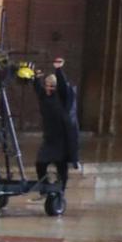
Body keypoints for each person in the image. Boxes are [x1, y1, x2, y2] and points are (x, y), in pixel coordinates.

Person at [35, 57, 80, 191]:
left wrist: (58, 69)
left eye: (52, 86)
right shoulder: (45, 97)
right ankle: (46, 188)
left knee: (61, 166)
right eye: (47, 85)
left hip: (62, 138)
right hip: (49, 138)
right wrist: (36, 78)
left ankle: (60, 191)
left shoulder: (64, 97)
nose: (49, 88)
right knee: (40, 163)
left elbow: (62, 86)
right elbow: (38, 89)